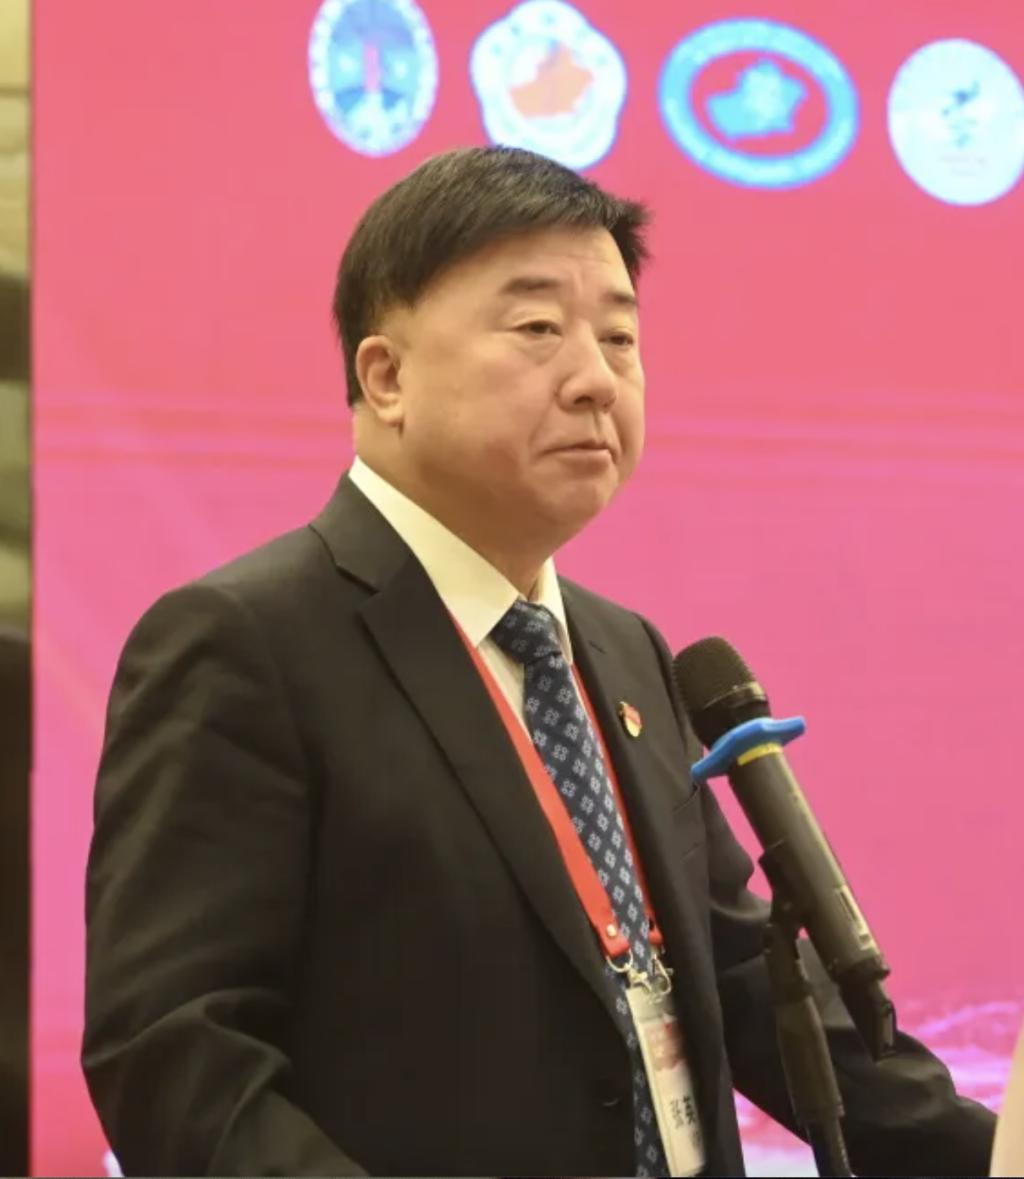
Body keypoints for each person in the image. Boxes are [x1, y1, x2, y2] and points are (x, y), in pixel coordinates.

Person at [83, 146, 995, 1177]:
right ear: (386, 376)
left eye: (619, 337)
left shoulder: (627, 651)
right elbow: (176, 1055)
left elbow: (745, 975)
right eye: (537, 330)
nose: (596, 380)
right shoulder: (244, 643)